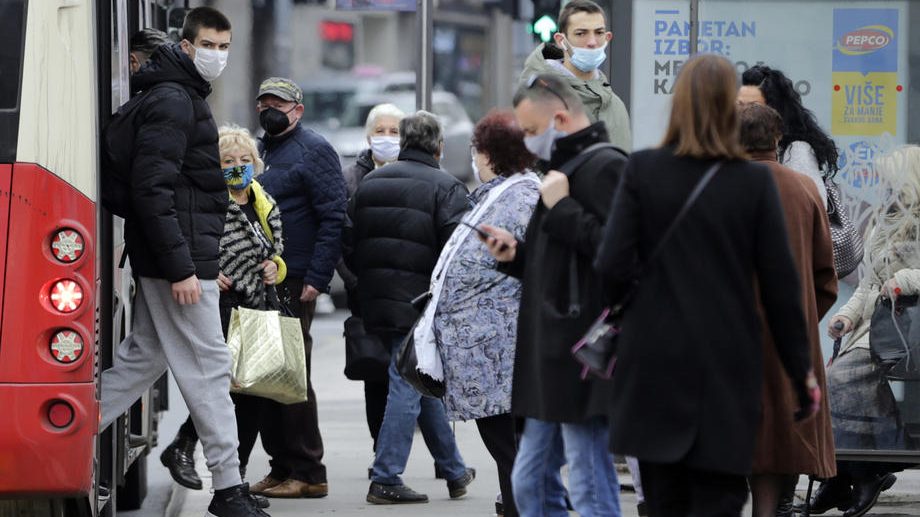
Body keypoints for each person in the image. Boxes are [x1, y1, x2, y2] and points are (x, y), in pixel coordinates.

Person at [594, 54, 819, 517]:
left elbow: (611, 266)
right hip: (726, 369)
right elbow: (781, 288)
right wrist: (801, 374)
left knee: (662, 500)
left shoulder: (643, 171)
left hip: (652, 367)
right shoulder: (752, 183)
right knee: (719, 499)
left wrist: (635, 314)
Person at [98, 7, 268, 517]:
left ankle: (64, 423)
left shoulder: (177, 94)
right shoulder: (174, 100)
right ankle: (229, 488)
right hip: (179, 261)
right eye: (210, 45)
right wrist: (183, 269)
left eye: (225, 46)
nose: (218, 55)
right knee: (212, 368)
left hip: (178, 255)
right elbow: (155, 191)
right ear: (187, 46)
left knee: (143, 357)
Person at [481, 73, 627, 517]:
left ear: (559, 118)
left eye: (530, 131)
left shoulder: (604, 168)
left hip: (581, 355)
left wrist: (562, 208)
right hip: (552, 356)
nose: (528, 143)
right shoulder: (560, 173)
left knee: (588, 482)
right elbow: (560, 264)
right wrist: (515, 255)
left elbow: (617, 254)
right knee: (529, 480)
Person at [347, 111, 475, 504]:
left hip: (377, 302)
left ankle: (454, 470)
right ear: (439, 146)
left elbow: (351, 244)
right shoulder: (447, 187)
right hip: (420, 304)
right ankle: (385, 476)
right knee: (406, 385)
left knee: (418, 380)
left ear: (402, 142)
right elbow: (457, 256)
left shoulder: (369, 183)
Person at [159, 126, 285, 511]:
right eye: (228, 161)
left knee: (252, 398)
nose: (237, 168)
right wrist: (209, 269)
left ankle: (236, 480)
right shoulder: (209, 200)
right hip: (222, 305)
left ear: (256, 163)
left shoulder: (263, 202)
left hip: (258, 307)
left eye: (244, 161)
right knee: (223, 390)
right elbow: (198, 243)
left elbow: (277, 252)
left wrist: (273, 266)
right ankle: (186, 445)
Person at [425, 110, 540, 517]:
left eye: (478, 150)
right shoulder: (502, 192)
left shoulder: (521, 196)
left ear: (491, 153)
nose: (475, 158)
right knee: (508, 448)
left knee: (510, 448)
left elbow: (514, 263)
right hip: (486, 350)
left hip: (498, 349)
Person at [738, 102, 838, 517]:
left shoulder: (721, 186)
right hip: (792, 335)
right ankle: (779, 504)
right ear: (778, 140)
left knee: (750, 434)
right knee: (789, 431)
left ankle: (769, 505)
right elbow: (825, 277)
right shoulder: (803, 188)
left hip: (736, 334)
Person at [250, 77, 346, 498]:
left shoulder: (315, 150)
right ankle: (282, 465)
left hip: (295, 279)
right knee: (268, 375)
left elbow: (333, 217)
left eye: (280, 104)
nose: (271, 109)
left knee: (291, 376)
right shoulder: (263, 150)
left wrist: (317, 278)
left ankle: (309, 471)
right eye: (265, 103)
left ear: (298, 111)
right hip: (265, 279)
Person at [811, 146, 920, 517]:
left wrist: (901, 280)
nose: (885, 187)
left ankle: (863, 469)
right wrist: (845, 315)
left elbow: (899, 279)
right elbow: (867, 285)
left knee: (836, 381)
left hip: (908, 329)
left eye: (891, 180)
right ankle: (846, 474)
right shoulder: (882, 221)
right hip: (879, 325)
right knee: (830, 385)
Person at [520, 0, 632, 152]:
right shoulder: (539, 97)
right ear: (561, 41)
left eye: (598, 33)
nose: (592, 42)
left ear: (607, 38)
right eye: (581, 33)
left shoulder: (615, 106)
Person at [739, 65, 839, 207]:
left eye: (753, 106)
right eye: (739, 105)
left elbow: (813, 205)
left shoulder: (796, 150)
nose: (743, 113)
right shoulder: (734, 146)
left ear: (775, 109)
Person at [343, 103, 406, 196]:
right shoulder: (349, 177)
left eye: (394, 131)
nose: (387, 137)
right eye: (380, 131)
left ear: (403, 138)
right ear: (369, 138)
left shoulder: (414, 175)